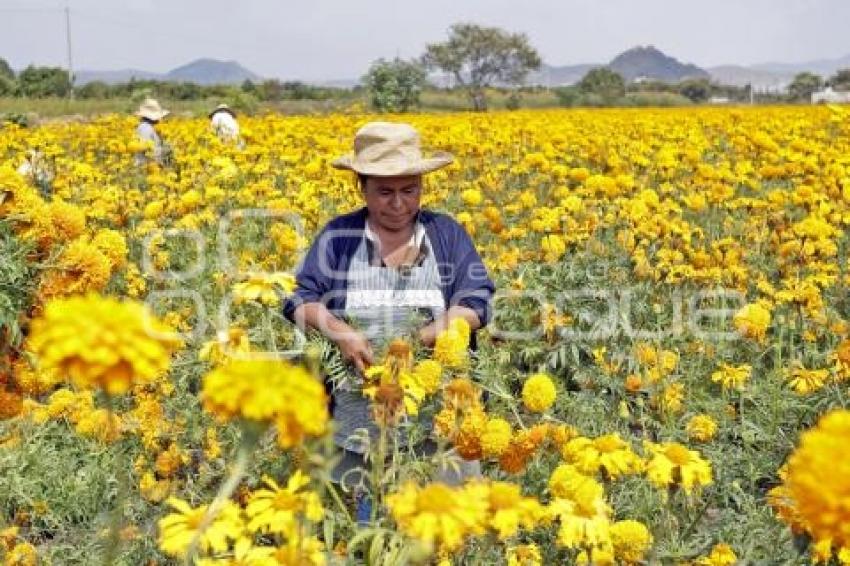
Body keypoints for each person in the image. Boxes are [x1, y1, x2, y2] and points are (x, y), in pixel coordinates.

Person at [283, 121, 495, 510]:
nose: (398, 203)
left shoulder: (445, 234)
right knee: (360, 534)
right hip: (354, 426)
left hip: (437, 426)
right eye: (384, 192)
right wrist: (340, 332)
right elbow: (299, 300)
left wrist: (423, 340)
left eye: (408, 190)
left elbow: (477, 302)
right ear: (360, 187)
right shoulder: (339, 237)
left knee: (439, 532)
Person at [134, 98, 169, 165]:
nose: (160, 119)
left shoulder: (148, 127)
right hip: (145, 167)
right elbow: (146, 150)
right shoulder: (145, 128)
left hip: (151, 167)